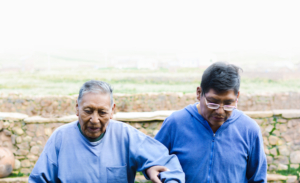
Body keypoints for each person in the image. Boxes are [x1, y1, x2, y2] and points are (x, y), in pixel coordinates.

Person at [29, 80, 185, 183]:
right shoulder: (60, 138)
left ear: (112, 111)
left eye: (102, 112)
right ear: (77, 108)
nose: (94, 119)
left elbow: (167, 164)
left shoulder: (125, 136)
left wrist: (159, 174)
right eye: (88, 111)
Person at [155, 62, 267, 182]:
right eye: (213, 102)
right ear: (199, 93)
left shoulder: (249, 130)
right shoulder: (175, 123)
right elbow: (153, 162)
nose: (220, 111)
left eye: (229, 103)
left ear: (237, 96)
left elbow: (258, 179)